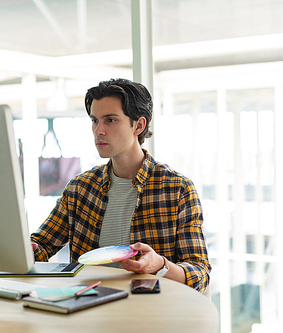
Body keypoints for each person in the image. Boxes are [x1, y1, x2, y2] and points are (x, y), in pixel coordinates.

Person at [31, 78, 211, 293]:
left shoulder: (177, 189)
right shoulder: (80, 188)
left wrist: (159, 265)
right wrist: (23, 248)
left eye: (110, 120)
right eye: (95, 120)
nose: (98, 130)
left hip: (151, 315)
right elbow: (42, 245)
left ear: (139, 125)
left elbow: (199, 273)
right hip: (87, 309)